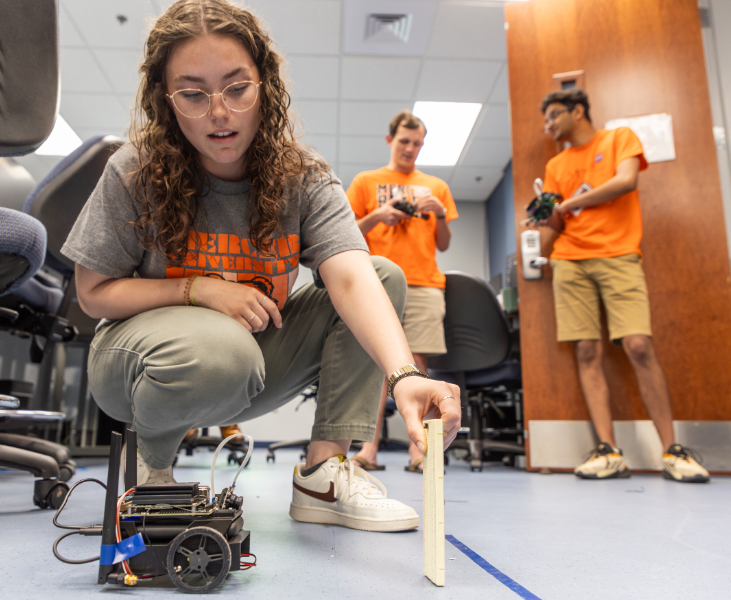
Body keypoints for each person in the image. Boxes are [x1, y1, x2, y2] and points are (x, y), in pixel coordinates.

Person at [61, 0, 461, 533]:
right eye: (193, 94)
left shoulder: (303, 176)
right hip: (135, 369)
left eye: (236, 87)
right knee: (220, 352)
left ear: (264, 85)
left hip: (246, 361)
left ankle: (324, 473)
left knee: (382, 274)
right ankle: (150, 463)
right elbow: (92, 292)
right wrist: (199, 290)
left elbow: (350, 275)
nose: (219, 113)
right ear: (166, 97)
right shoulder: (135, 170)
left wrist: (404, 373)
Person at [538, 88, 709, 482]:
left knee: (638, 346)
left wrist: (565, 205)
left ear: (577, 110)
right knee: (586, 350)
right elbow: (557, 224)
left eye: (554, 117)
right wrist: (547, 220)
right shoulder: (555, 165)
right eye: (545, 121)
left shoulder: (619, 139)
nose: (549, 126)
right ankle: (608, 451)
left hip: (619, 255)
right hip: (569, 260)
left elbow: (627, 181)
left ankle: (673, 451)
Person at [346, 111, 458, 473]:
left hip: (425, 284)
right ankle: (368, 449)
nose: (410, 148)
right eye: (404, 141)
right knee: (377, 367)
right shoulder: (366, 182)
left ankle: (420, 452)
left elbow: (444, 244)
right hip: (377, 285)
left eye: (417, 143)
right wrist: (378, 216)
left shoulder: (437, 185)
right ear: (390, 140)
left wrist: (439, 214)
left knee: (419, 368)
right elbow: (345, 235)